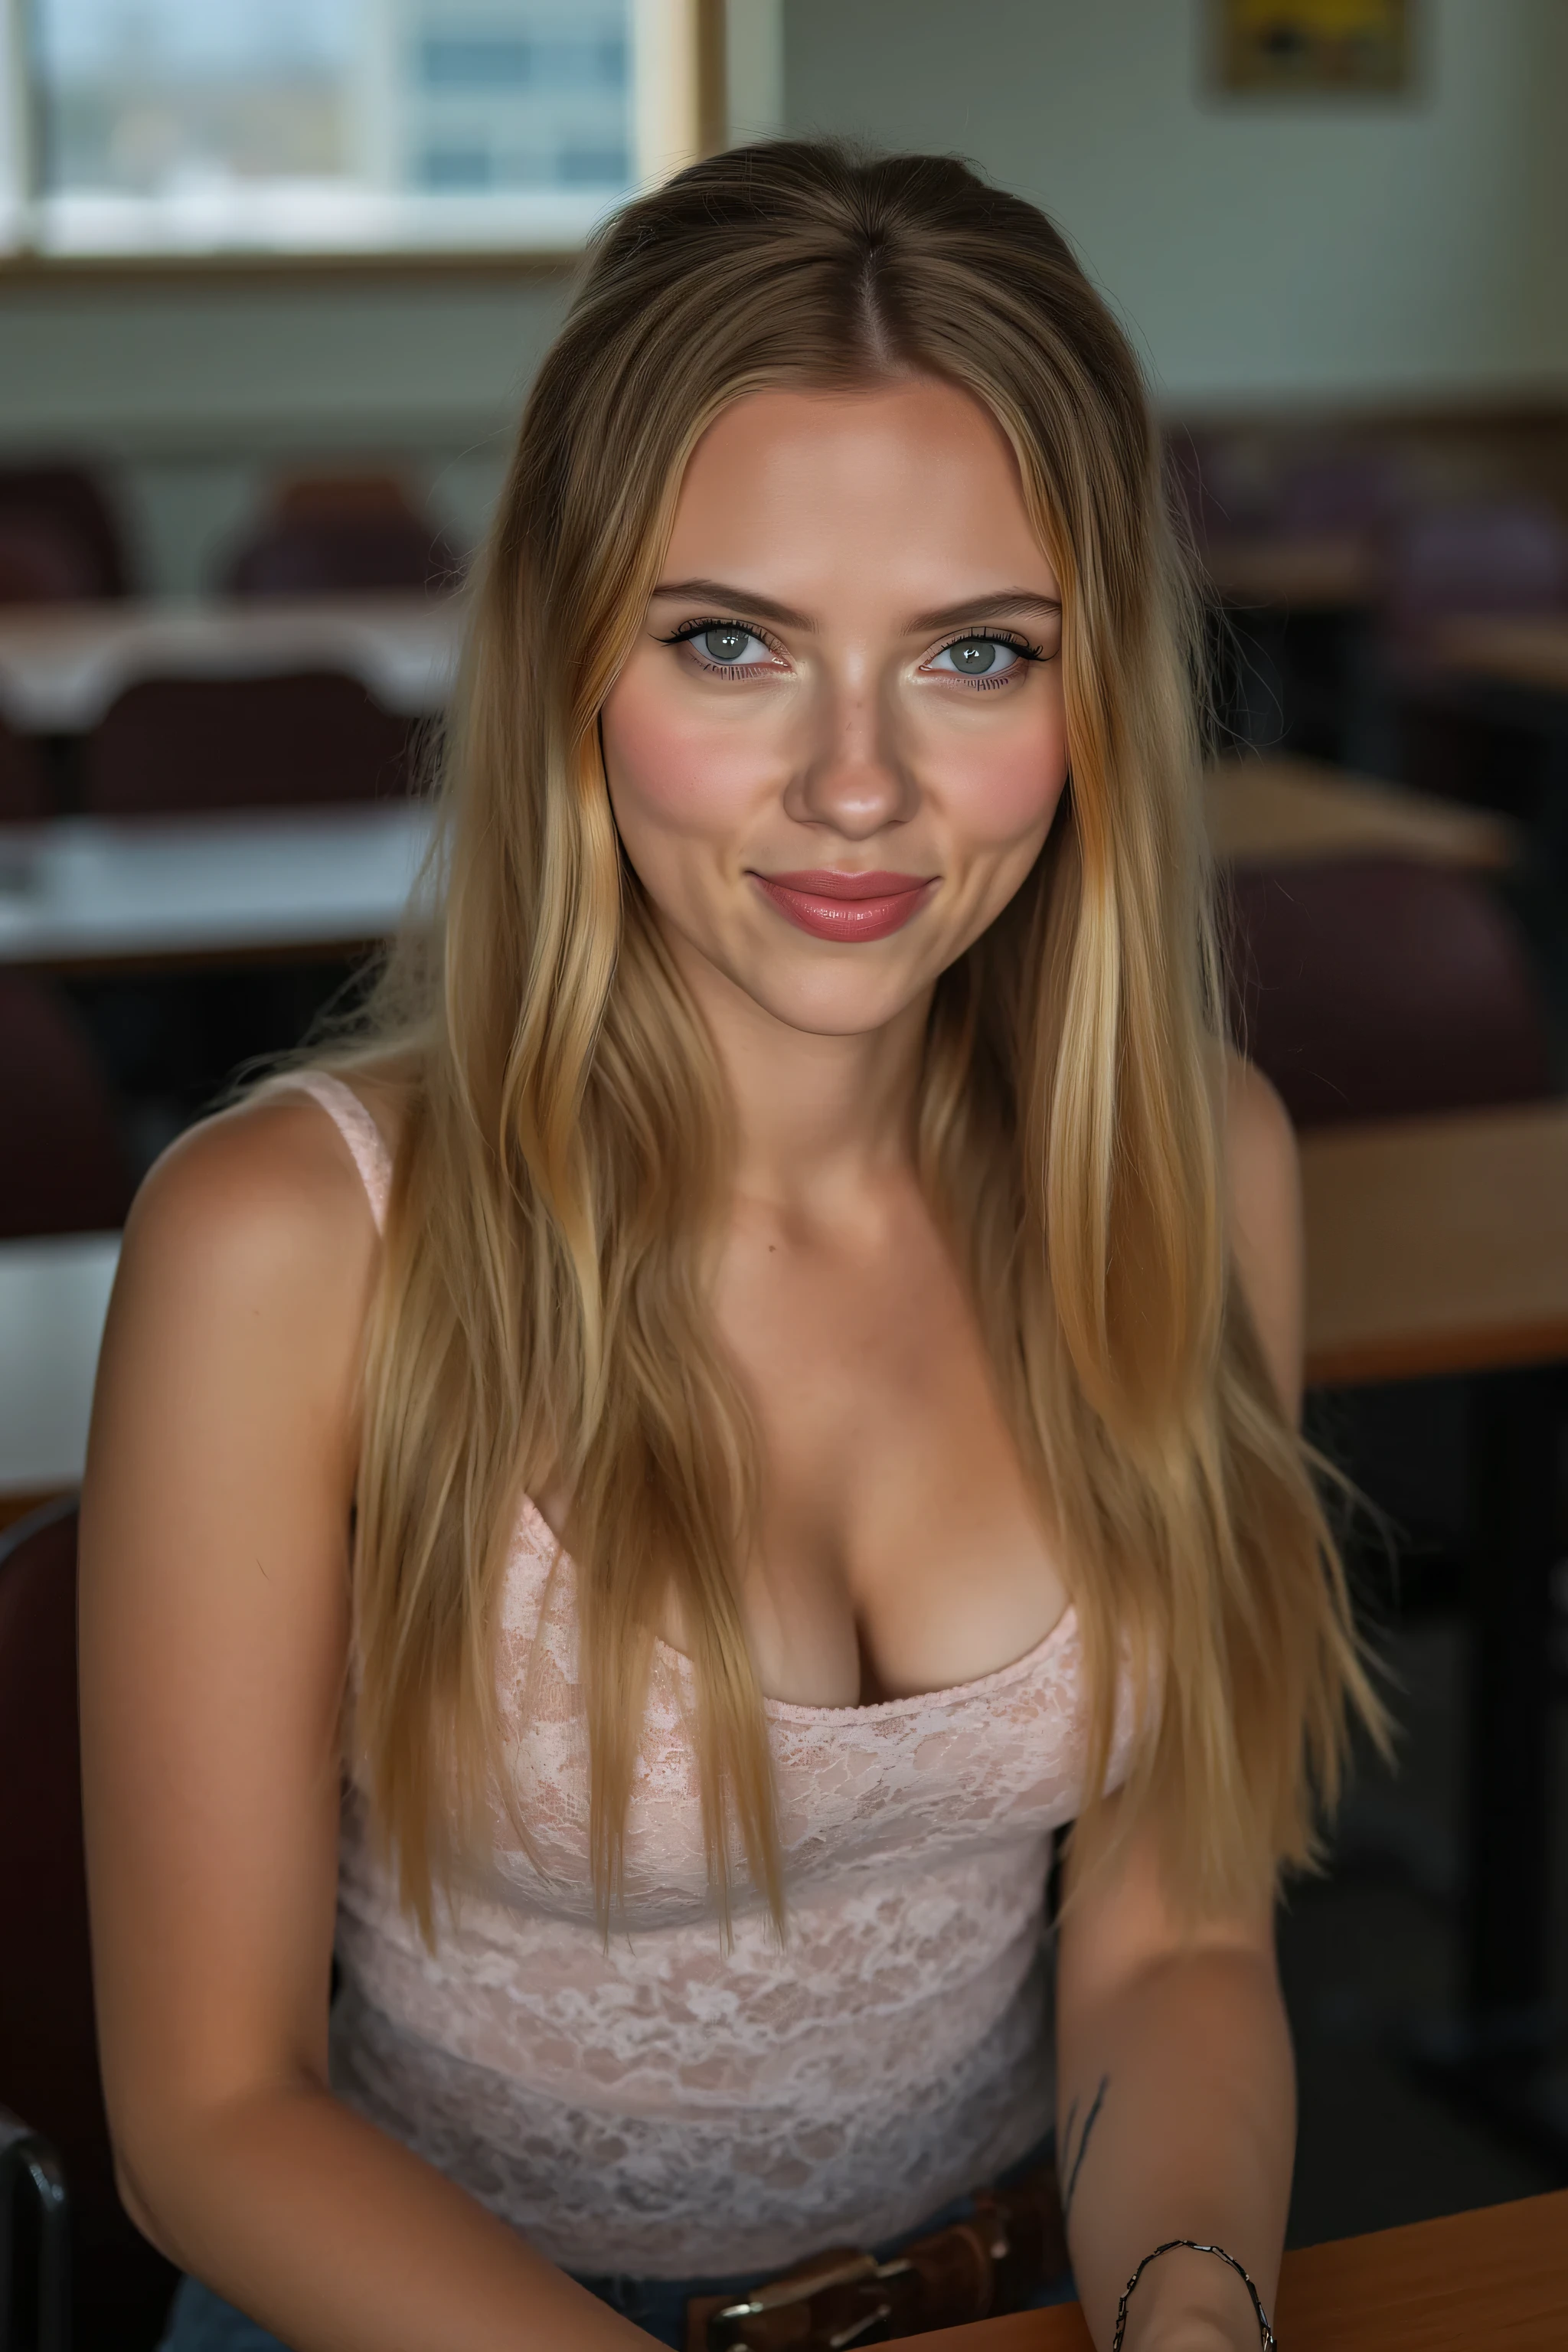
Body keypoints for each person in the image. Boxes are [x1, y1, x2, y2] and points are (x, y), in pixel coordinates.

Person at [80, 142, 1378, 2352]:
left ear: (1094, 705)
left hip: (1008, 2292)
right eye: (732, 644)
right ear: (571, 661)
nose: (857, 785)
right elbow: (209, 2115)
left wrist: (1187, 2318)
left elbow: (1174, 1951)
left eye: (977, 654)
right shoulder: (285, 1244)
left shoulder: (1201, 1172)